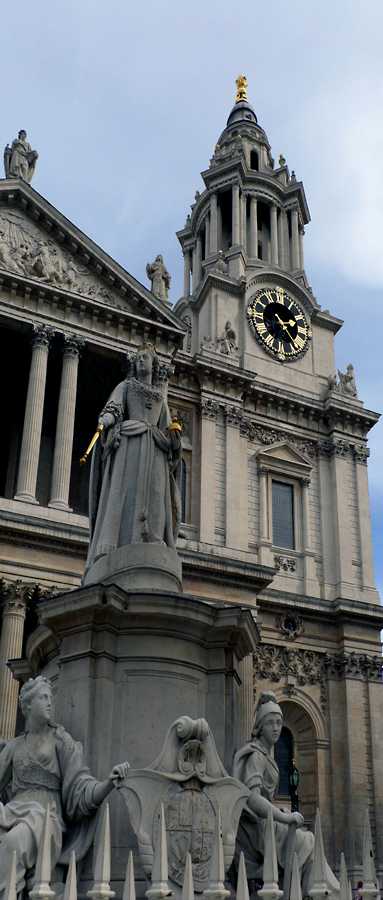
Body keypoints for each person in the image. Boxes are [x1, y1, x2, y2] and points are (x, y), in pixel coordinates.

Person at [0, 676, 129, 897]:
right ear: (28, 705)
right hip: (12, 812)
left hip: (44, 818)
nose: (50, 702)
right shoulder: (13, 747)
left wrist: (108, 783)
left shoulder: (60, 741)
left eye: (51, 697)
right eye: (43, 697)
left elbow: (81, 787)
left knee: (13, 841)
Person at [84, 343, 181, 577]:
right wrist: (105, 420)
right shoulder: (125, 386)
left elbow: (167, 426)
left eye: (144, 358)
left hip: (156, 447)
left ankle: (152, 537)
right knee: (126, 490)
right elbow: (114, 409)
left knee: (156, 493)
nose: (140, 362)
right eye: (137, 359)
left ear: (153, 364)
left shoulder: (160, 396)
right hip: (131, 442)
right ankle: (121, 539)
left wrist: (174, 435)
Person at [233, 692, 338, 896]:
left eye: (279, 723)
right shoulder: (256, 755)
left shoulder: (266, 755)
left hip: (267, 820)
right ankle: (322, 891)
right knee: (307, 841)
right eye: (270, 723)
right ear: (260, 727)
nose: (276, 728)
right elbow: (252, 798)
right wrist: (284, 815)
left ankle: (318, 890)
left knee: (307, 840)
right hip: (256, 825)